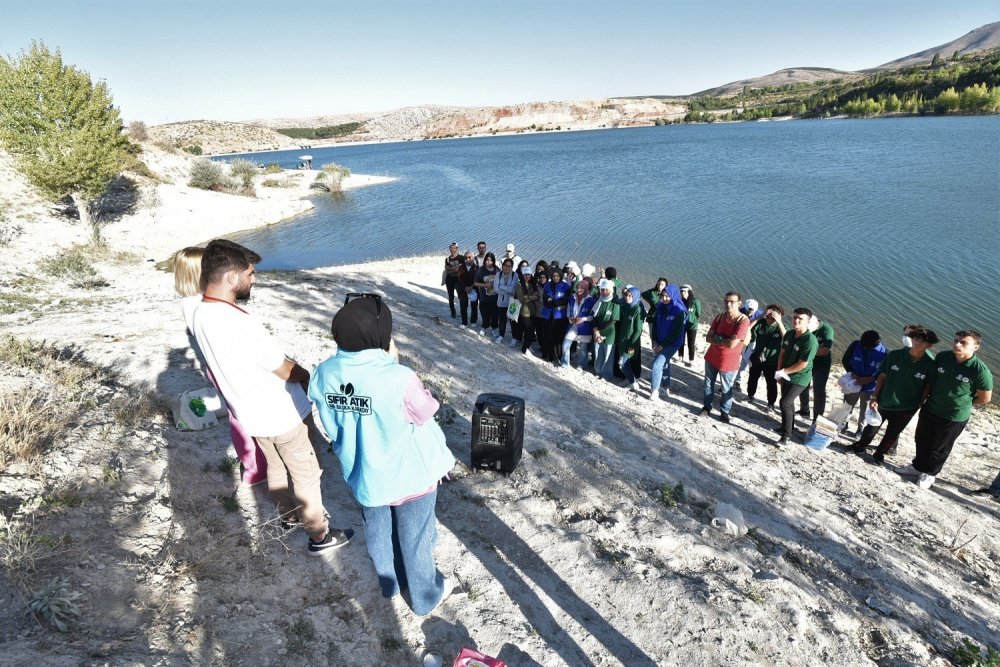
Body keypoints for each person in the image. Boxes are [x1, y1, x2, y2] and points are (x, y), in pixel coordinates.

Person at [191, 239, 352, 555]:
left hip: (251, 414)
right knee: (306, 473)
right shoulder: (240, 322)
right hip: (282, 413)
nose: (253, 280)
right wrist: (308, 375)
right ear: (231, 278)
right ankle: (319, 535)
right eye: (250, 274)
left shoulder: (200, 312)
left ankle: (288, 516)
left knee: (276, 466)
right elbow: (284, 369)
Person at [309, 296, 456, 615]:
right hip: (409, 475)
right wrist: (394, 363)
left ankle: (389, 584)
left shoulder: (323, 373)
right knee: (415, 538)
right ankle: (424, 597)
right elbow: (425, 411)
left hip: (365, 474)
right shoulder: (398, 377)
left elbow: (329, 416)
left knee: (377, 531)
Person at [173, 246, 267, 487]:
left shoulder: (189, 301)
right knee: (242, 416)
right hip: (225, 365)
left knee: (238, 413)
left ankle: (253, 463)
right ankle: (254, 467)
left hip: (215, 365)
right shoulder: (200, 305)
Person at [898, 330, 992, 490]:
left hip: (954, 416)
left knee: (939, 448)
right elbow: (931, 380)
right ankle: (917, 467)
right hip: (931, 407)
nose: (957, 344)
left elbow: (985, 398)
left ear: (975, 347)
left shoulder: (980, 370)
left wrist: (961, 403)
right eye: (956, 340)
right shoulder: (943, 357)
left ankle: (930, 473)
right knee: (921, 439)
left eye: (963, 343)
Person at [850, 325, 939, 463]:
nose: (918, 343)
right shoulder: (894, 355)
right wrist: (874, 397)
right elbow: (882, 377)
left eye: (923, 341)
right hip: (884, 400)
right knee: (872, 427)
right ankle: (860, 445)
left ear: (930, 345)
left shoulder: (931, 364)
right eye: (916, 339)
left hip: (907, 406)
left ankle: (880, 453)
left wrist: (919, 403)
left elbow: (928, 386)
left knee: (893, 433)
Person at [701, 292, 751, 423]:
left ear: (739, 304)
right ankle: (706, 407)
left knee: (726, 388)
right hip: (712, 357)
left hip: (729, 362)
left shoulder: (743, 321)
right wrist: (724, 339)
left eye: (732, 302)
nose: (728, 304)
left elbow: (732, 344)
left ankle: (724, 412)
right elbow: (708, 338)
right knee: (708, 384)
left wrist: (717, 338)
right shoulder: (719, 317)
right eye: (726, 301)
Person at [775, 308, 818, 445]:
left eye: (800, 318)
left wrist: (784, 372)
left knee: (785, 402)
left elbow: (802, 364)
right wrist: (779, 370)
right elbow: (782, 352)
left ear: (808, 321)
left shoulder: (810, 341)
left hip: (800, 377)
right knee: (788, 403)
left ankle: (786, 436)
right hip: (785, 373)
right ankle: (787, 427)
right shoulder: (789, 334)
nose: (796, 320)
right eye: (795, 317)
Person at [839, 330, 888, 436]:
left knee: (865, 409)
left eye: (867, 347)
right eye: (863, 345)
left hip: (870, 387)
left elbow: (884, 372)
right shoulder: (856, 345)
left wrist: (871, 378)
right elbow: (845, 360)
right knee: (847, 405)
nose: (864, 348)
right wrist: (852, 373)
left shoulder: (884, 353)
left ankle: (860, 429)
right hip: (853, 382)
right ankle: (843, 424)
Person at [649, 284, 688, 402]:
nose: (665, 298)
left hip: (672, 343)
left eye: (667, 296)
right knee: (664, 364)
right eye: (663, 296)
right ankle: (665, 387)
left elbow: (675, 332)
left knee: (656, 365)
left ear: (674, 296)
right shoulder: (660, 307)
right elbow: (655, 325)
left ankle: (654, 391)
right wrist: (654, 341)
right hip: (659, 341)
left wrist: (662, 346)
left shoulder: (679, 311)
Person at [745, 304, 786, 412]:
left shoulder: (780, 327)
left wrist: (779, 322)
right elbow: (747, 328)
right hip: (757, 357)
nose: (770, 318)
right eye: (768, 315)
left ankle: (771, 404)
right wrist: (761, 316)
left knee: (771, 384)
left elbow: (787, 339)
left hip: (772, 361)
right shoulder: (761, 323)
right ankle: (750, 396)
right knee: (752, 378)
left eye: (773, 316)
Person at [799, 318, 835, 420]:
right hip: (807, 363)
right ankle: (804, 410)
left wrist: (808, 351)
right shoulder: (804, 328)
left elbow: (824, 351)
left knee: (818, 390)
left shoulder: (827, 330)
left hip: (821, 365)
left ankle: (817, 418)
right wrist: (815, 349)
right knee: (802, 385)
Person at [616, 286, 645, 391]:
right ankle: (629, 379)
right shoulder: (627, 306)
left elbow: (638, 330)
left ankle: (633, 383)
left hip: (630, 342)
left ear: (636, 296)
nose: (627, 297)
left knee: (622, 363)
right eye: (626, 295)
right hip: (623, 339)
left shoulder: (638, 309)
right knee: (625, 363)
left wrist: (632, 344)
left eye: (630, 296)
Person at [563, 278, 596, 368]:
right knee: (566, 343)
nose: (578, 290)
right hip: (573, 325)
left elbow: (593, 316)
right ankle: (565, 363)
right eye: (577, 287)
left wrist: (583, 319)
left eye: (581, 288)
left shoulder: (591, 301)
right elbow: (568, 310)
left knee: (583, 349)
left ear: (586, 289)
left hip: (585, 326)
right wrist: (570, 318)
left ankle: (581, 365)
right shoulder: (572, 297)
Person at [591, 279, 621, 379]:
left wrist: (598, 330)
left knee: (608, 355)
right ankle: (598, 371)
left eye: (606, 290)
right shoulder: (599, 301)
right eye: (602, 290)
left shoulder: (615, 303)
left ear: (611, 290)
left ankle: (606, 375)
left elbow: (613, 320)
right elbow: (594, 316)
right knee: (598, 352)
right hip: (597, 331)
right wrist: (595, 329)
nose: (604, 292)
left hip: (609, 333)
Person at [540, 268, 570, 363]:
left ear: (560, 276)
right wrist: (556, 303)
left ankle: (557, 355)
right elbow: (545, 300)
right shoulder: (547, 286)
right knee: (548, 335)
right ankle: (547, 355)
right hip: (548, 315)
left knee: (558, 336)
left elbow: (565, 300)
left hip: (560, 316)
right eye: (553, 276)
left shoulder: (566, 287)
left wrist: (553, 302)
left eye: (557, 276)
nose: (555, 278)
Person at [734, 299, 763, 393]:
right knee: (735, 359)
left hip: (752, 341)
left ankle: (738, 381)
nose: (750, 313)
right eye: (748, 311)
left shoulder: (761, 314)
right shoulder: (739, 311)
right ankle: (730, 380)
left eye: (752, 312)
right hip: (739, 339)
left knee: (745, 360)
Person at [515, 267, 542, 355]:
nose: (527, 276)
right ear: (522, 275)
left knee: (529, 330)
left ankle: (528, 345)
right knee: (530, 330)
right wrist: (532, 297)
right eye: (525, 274)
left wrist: (528, 297)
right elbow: (522, 299)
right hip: (525, 311)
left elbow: (538, 296)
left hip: (533, 310)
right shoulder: (519, 285)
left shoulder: (533, 284)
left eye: (529, 274)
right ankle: (524, 348)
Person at [493, 258, 519, 344]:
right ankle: (501, 335)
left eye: (509, 266)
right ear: (502, 266)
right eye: (505, 265)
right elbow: (495, 288)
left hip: (513, 302)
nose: (507, 268)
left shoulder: (515, 275)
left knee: (513, 321)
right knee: (502, 320)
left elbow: (512, 289)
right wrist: (505, 290)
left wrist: (501, 286)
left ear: (512, 267)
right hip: (501, 302)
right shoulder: (498, 274)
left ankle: (514, 338)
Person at [474, 252, 499, 337]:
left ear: (493, 261)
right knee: (485, 314)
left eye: (491, 260)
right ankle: (484, 328)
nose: (489, 262)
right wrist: (485, 285)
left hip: (495, 298)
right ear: (485, 260)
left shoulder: (497, 269)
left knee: (495, 315)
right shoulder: (481, 270)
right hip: (484, 297)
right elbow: (476, 283)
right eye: (487, 260)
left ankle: (494, 329)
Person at [676, 284, 701, 366]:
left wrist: (693, 320)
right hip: (682, 325)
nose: (682, 293)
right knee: (681, 341)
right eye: (681, 291)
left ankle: (691, 360)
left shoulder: (695, 302)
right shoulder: (681, 301)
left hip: (692, 326)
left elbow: (698, 314)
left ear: (689, 292)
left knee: (691, 343)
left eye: (684, 291)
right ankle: (680, 357)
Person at [457, 250, 478, 328]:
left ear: (473, 257)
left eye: (470, 257)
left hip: (474, 288)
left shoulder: (476, 267)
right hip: (463, 289)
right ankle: (464, 322)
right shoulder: (461, 267)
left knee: (474, 306)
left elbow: (477, 279)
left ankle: (473, 321)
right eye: (466, 257)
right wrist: (465, 287)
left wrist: (471, 287)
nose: (468, 259)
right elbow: (459, 279)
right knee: (463, 306)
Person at [443, 242, 463, 320]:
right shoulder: (447, 259)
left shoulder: (461, 258)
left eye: (454, 248)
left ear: (457, 248)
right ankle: (453, 312)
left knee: (461, 296)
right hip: (449, 280)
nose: (452, 249)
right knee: (451, 297)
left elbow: (460, 269)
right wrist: (454, 269)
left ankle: (462, 311)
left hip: (458, 280)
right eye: (451, 248)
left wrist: (454, 269)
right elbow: (447, 270)